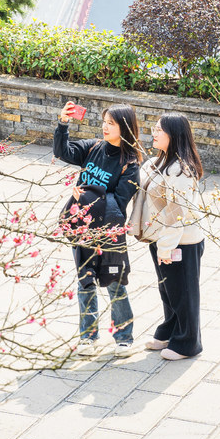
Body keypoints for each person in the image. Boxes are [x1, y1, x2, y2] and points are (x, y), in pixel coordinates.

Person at [54, 101, 142, 357]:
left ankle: (124, 337)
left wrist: (86, 194)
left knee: (115, 283)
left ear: (124, 128)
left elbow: (119, 202)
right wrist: (63, 123)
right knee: (86, 283)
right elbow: (63, 152)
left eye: (111, 124)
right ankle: (88, 337)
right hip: (82, 230)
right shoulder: (93, 147)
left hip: (109, 233)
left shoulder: (130, 164)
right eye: (104, 122)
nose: (105, 127)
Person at [139, 113, 205, 360]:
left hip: (181, 242)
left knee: (184, 293)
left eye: (160, 130)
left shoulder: (180, 170)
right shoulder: (161, 161)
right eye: (154, 128)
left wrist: (165, 247)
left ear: (174, 136)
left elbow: (176, 213)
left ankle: (188, 343)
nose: (154, 133)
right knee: (169, 291)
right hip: (162, 238)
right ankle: (170, 331)